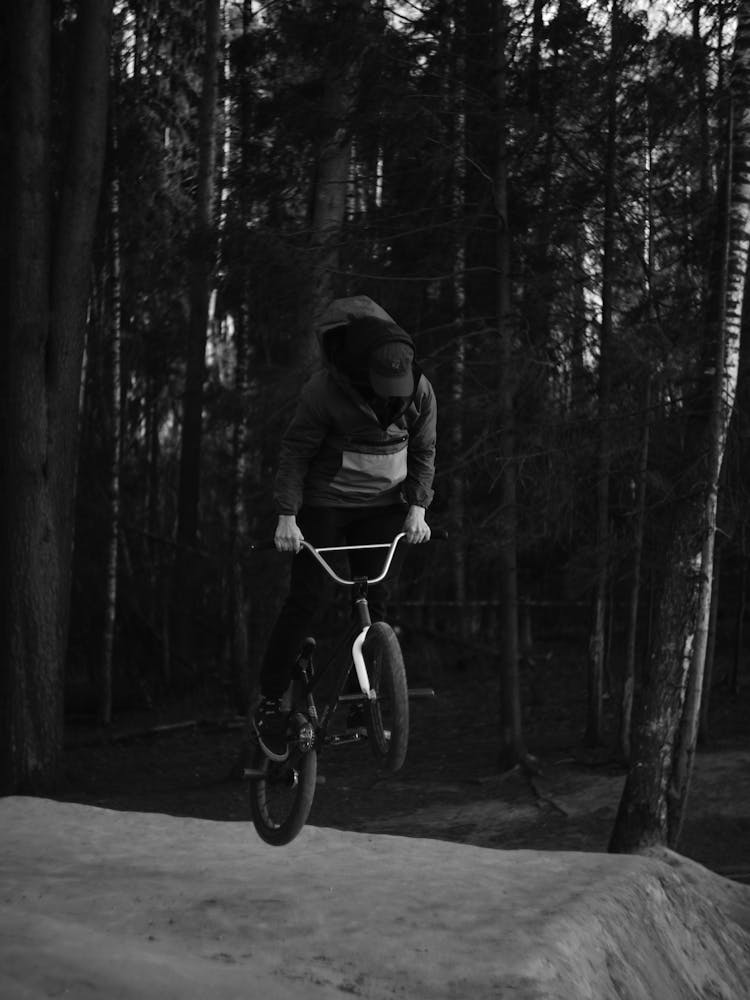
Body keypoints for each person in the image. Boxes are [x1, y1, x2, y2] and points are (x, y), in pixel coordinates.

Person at [254, 296, 437, 760]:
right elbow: (295, 453)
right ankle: (271, 701)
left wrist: (417, 508)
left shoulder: (419, 391)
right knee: (307, 598)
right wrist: (287, 515)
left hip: (383, 507)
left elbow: (424, 451)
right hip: (325, 504)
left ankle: (366, 700)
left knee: (373, 600)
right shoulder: (323, 392)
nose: (391, 393)